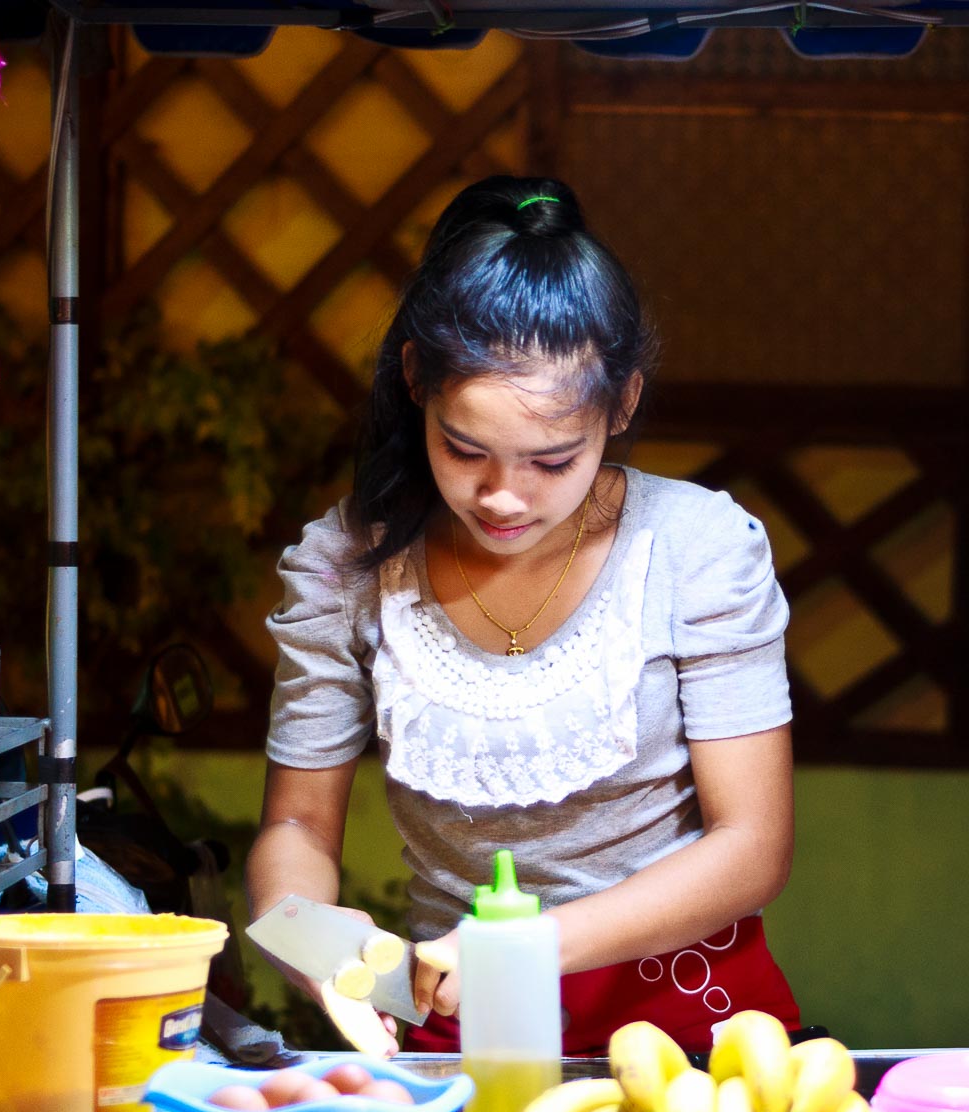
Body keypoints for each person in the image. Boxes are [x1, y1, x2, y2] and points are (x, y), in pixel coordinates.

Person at [248, 176, 801, 1055]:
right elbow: (295, 827)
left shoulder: (698, 550)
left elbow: (754, 845)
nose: (502, 496)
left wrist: (524, 947)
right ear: (415, 380)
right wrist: (316, 940)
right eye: (463, 449)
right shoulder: (346, 565)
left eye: (553, 459)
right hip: (457, 1027)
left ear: (621, 405)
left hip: (693, 1028)